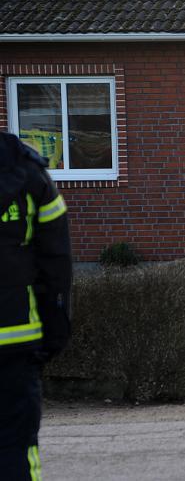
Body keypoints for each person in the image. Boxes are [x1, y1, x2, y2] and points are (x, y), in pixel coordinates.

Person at [0, 132, 72, 481]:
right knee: (16, 446)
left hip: (18, 346)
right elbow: (56, 263)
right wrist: (55, 330)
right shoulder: (27, 173)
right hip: (15, 343)